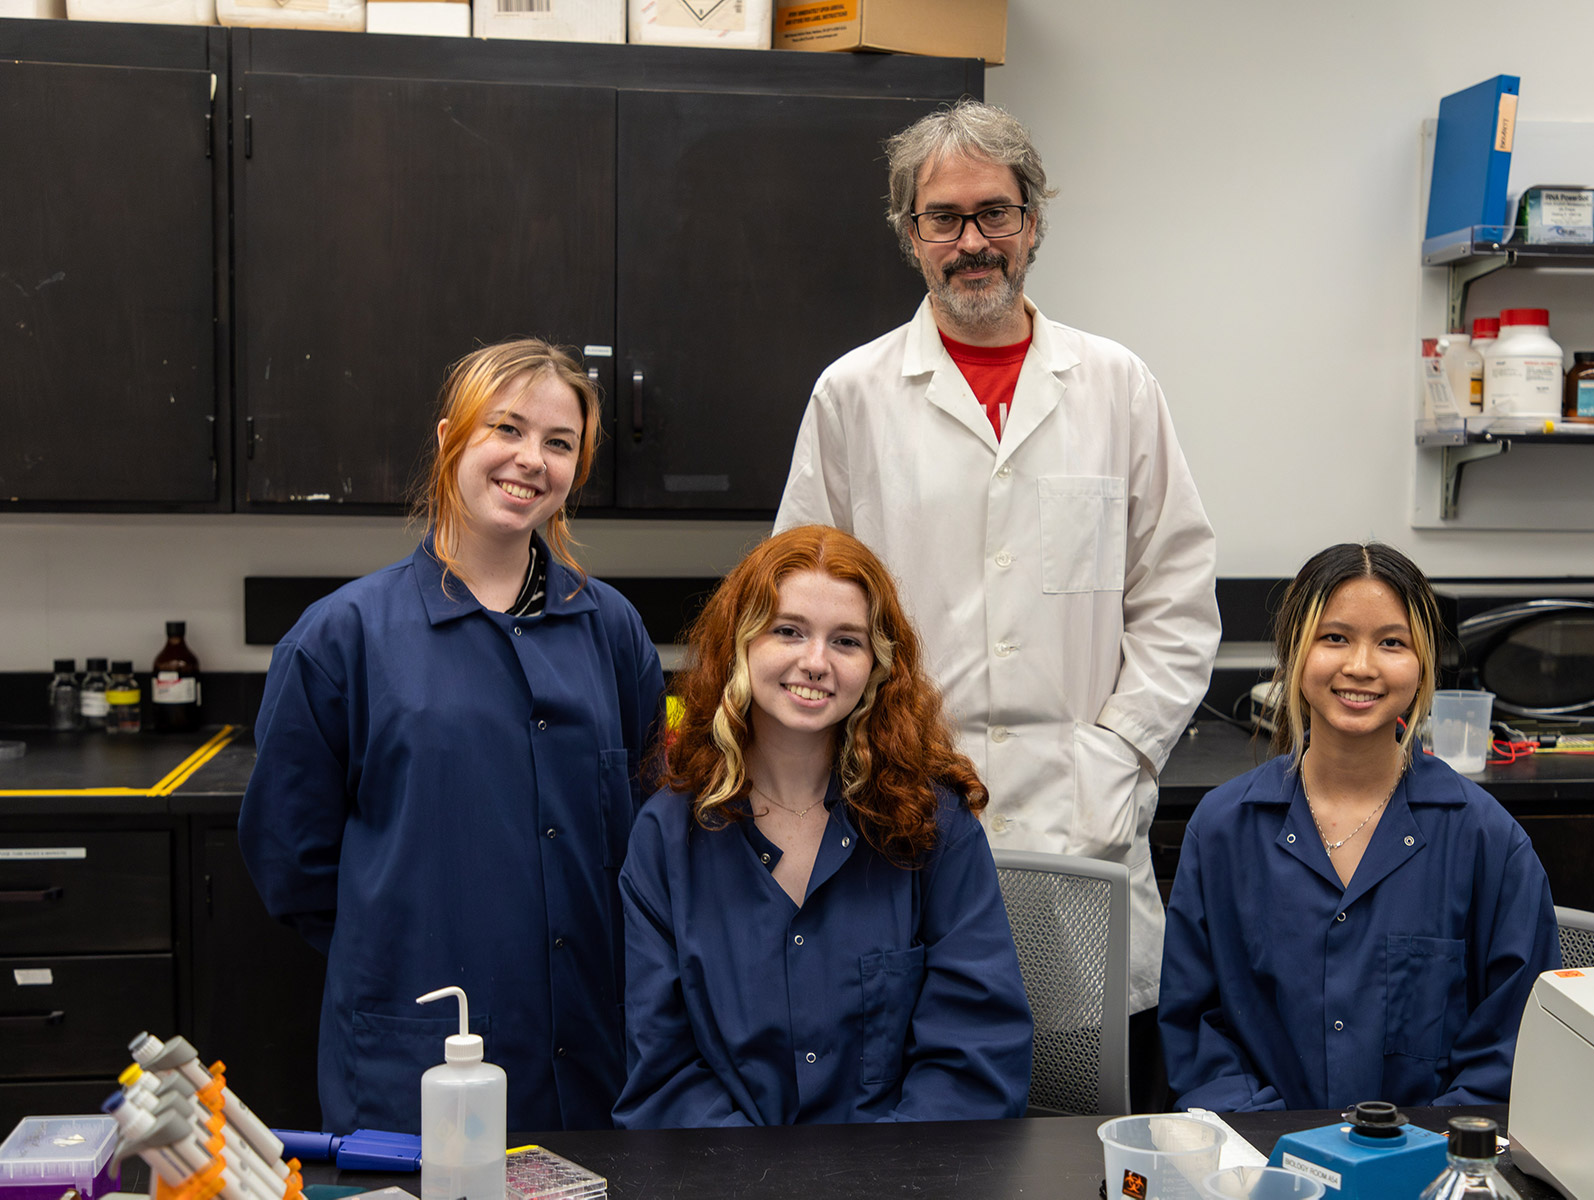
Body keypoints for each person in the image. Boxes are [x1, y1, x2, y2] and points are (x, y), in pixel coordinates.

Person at [774, 98, 1218, 1105]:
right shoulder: (853, 395)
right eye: (944, 217)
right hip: (901, 806)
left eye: (995, 212)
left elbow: (1178, 601)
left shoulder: (1114, 385)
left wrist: (1117, 752)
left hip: (1078, 812)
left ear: (1032, 222)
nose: (972, 241)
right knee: (917, 1089)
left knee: (1075, 1098)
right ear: (909, 234)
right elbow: (796, 606)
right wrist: (872, 757)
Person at [238, 339, 664, 1133]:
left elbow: (644, 834)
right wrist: (403, 941)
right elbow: (291, 860)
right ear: (449, 440)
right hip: (415, 1059)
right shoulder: (343, 637)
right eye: (505, 428)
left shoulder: (612, 631)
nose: (529, 459)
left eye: (559, 442)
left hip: (592, 1058)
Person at [612, 524, 1034, 1127]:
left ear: (878, 664)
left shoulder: (933, 825)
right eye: (788, 631)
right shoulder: (666, 838)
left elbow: (976, 1058)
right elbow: (665, 1080)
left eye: (846, 641)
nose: (816, 662)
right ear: (741, 643)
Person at [1159, 542, 1561, 1112]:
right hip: (1262, 1169)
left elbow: (1511, 1050)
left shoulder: (1486, 840)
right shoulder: (1222, 830)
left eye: (1392, 642)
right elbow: (1198, 1037)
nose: (1361, 666)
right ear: (1294, 655)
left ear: (1424, 665)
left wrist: (1408, 1158)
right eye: (1335, 637)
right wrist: (1276, 1155)